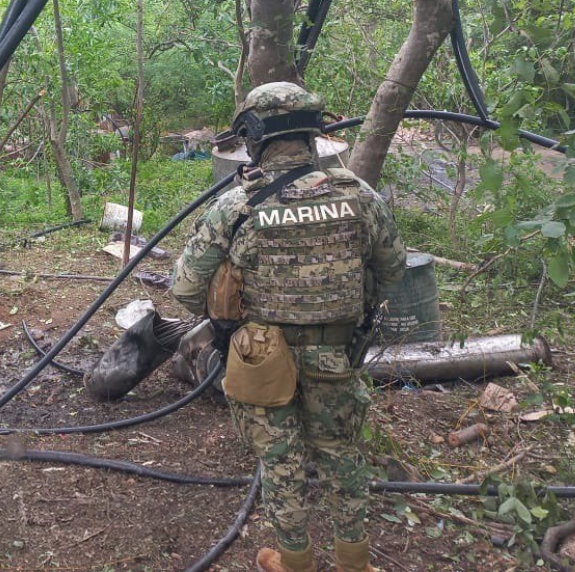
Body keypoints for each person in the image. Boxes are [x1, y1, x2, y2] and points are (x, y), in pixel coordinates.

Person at [171, 82, 406, 572]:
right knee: (342, 456)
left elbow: (186, 292)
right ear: (313, 133)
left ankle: (295, 563)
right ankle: (354, 563)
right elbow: (393, 271)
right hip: (337, 353)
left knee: (281, 463)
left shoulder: (236, 206)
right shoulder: (358, 195)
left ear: (253, 136)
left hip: (262, 357)